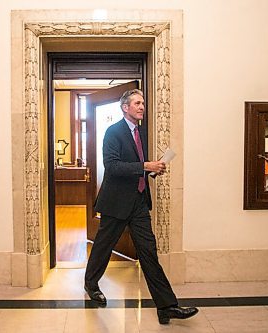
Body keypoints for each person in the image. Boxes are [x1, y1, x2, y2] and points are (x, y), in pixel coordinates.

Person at [84, 89, 198, 324]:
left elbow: (140, 168)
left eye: (143, 103)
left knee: (149, 253)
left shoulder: (141, 133)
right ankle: (91, 284)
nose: (142, 106)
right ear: (125, 107)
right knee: (103, 247)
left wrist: (154, 169)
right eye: (137, 103)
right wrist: (145, 165)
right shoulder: (112, 132)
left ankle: (167, 306)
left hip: (138, 202)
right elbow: (113, 167)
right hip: (116, 202)